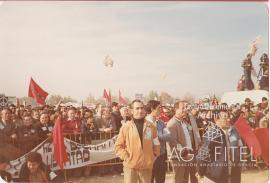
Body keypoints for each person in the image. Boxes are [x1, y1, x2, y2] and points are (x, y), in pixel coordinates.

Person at [115, 99, 160, 183]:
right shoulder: (126, 127)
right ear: (132, 111)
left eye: (142, 108)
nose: (140, 110)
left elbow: (156, 143)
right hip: (131, 167)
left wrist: (154, 155)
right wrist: (126, 157)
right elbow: (118, 146)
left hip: (146, 167)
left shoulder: (151, 127)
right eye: (137, 108)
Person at [196, 110, 243, 183]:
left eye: (228, 117)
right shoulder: (212, 133)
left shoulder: (228, 132)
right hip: (214, 177)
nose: (228, 119)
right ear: (216, 119)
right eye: (225, 117)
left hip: (228, 175)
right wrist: (200, 172)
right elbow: (203, 155)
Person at [166, 101, 195, 183]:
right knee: (179, 179)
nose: (185, 110)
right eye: (183, 108)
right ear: (176, 109)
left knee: (185, 179)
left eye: (186, 108)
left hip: (187, 155)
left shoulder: (184, 122)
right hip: (179, 157)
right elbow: (173, 142)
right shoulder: (172, 124)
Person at [145, 100, 171, 183]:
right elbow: (148, 140)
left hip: (161, 154)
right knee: (149, 179)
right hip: (149, 156)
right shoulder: (145, 123)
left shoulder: (161, 123)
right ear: (152, 109)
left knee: (161, 179)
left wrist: (156, 135)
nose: (161, 110)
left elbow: (169, 136)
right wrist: (160, 135)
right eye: (159, 108)